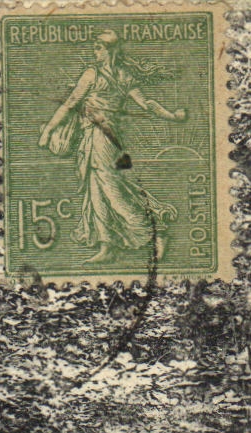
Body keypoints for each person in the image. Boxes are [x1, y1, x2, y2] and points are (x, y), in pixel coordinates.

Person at [37, 30, 187, 263]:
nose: (95, 52)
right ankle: (107, 246)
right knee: (95, 190)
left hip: (103, 137)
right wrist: (172, 115)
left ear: (111, 50)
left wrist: (48, 130)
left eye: (99, 48)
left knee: (112, 190)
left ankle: (156, 233)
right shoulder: (119, 76)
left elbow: (70, 104)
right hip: (93, 137)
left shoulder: (97, 75)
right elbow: (146, 105)